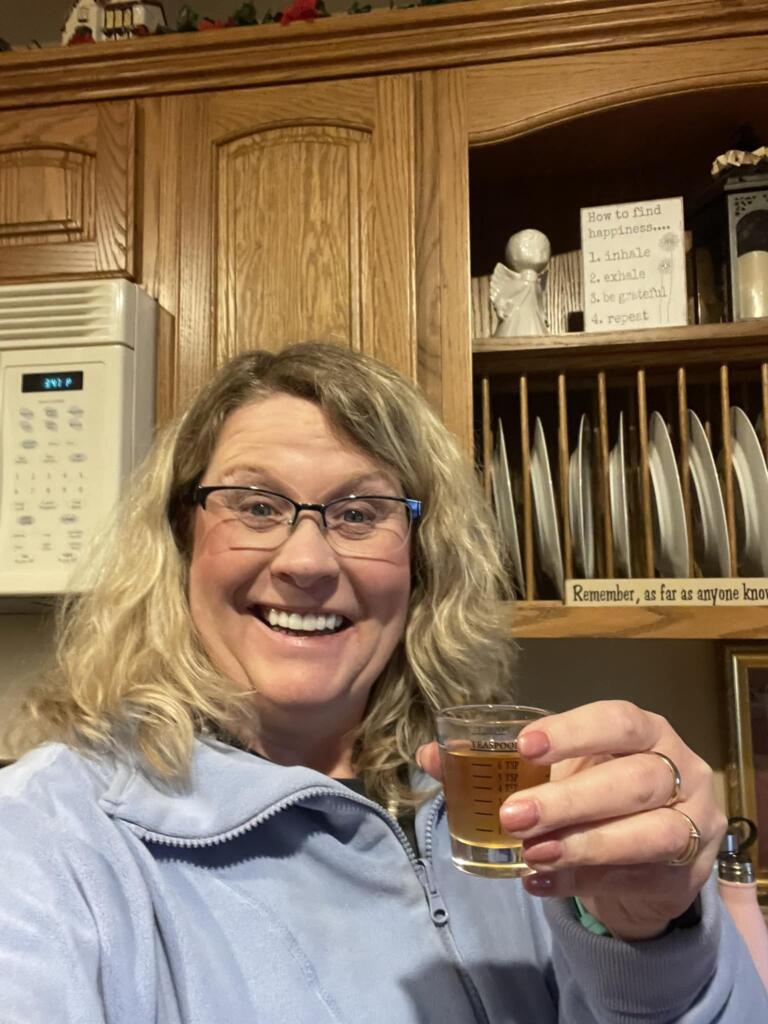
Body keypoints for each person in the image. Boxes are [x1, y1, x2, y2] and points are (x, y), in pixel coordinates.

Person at [0, 341, 765, 1023]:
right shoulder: (47, 840)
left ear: (420, 563)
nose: (307, 562)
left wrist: (647, 936)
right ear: (181, 539)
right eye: (256, 506)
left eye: (360, 513)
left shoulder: (519, 802)